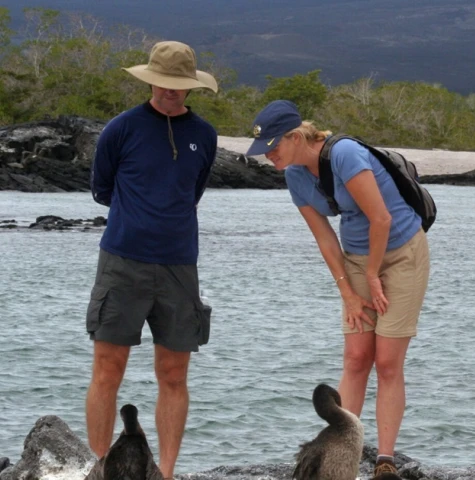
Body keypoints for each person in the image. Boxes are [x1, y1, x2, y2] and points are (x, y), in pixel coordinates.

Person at [245, 100, 430, 479]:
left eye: (273, 147)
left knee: (388, 361)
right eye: (264, 151)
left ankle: (385, 460)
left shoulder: (344, 154)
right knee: (357, 356)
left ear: (296, 137)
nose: (268, 157)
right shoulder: (293, 175)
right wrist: (347, 290)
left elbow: (381, 218)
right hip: (357, 258)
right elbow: (325, 239)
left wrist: (375, 274)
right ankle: (342, 455)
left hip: (402, 252)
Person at [85, 40, 218, 479]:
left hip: (180, 265)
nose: (170, 92)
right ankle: (101, 466)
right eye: (163, 84)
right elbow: (102, 189)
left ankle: (168, 473)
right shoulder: (121, 129)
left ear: (190, 87)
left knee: (174, 372)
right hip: (123, 260)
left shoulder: (204, 135)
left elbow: (191, 194)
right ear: (150, 81)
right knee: (108, 367)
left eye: (179, 86)